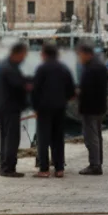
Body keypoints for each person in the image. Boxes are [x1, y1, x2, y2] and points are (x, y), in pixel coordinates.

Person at [30, 43, 76, 178]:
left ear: (44, 54)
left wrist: (35, 107)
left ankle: (44, 169)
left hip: (44, 108)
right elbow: (71, 90)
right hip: (60, 107)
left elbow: (35, 91)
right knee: (58, 138)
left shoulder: (41, 69)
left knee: (43, 139)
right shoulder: (64, 69)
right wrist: (64, 99)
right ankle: (59, 168)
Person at [0, 42, 30, 177]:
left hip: (3, 106)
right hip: (10, 107)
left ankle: (5, 166)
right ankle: (8, 168)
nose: (24, 58)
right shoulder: (9, 69)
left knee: (5, 138)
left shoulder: (5, 66)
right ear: (18, 54)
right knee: (11, 138)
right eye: (23, 55)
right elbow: (20, 85)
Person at [75, 42, 108, 175]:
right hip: (100, 106)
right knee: (97, 135)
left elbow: (87, 89)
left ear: (86, 54)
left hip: (90, 107)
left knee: (91, 137)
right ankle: (98, 161)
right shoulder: (100, 66)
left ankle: (95, 164)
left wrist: (78, 93)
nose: (79, 57)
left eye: (80, 55)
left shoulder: (90, 68)